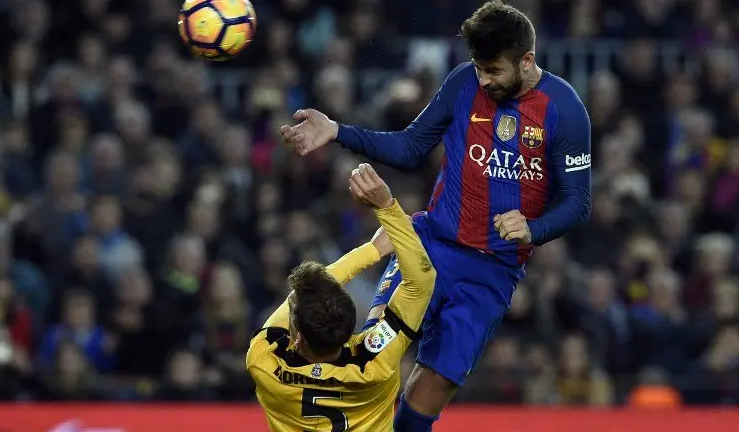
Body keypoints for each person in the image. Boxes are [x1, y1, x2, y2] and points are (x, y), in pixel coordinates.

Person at [280, 1, 592, 430]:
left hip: (493, 272)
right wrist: (337, 131)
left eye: (494, 70)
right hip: (429, 249)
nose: (484, 79)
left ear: (526, 61)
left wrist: (533, 229)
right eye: (479, 68)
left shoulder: (564, 109)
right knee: (372, 357)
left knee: (432, 389)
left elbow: (578, 202)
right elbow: (410, 147)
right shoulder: (464, 82)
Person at [245, 163, 437, 431]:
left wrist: (370, 251)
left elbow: (297, 297)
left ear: (298, 336)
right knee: (387, 318)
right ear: (349, 330)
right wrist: (387, 208)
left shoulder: (264, 361)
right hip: (368, 363)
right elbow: (421, 281)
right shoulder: (376, 363)